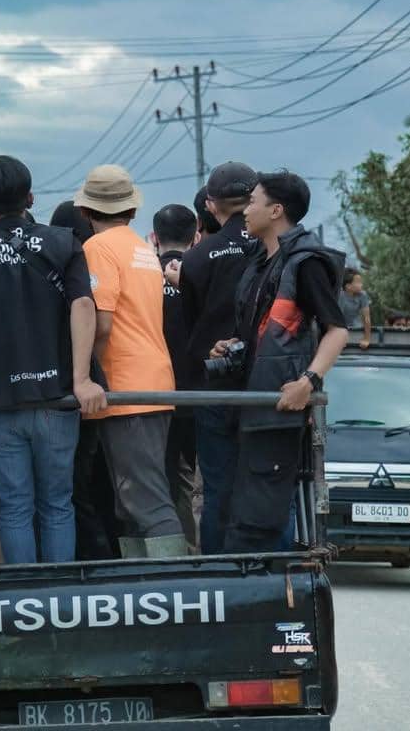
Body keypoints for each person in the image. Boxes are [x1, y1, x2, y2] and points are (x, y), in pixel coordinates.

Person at [0, 156, 106, 564]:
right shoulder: (64, 242)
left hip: (2, 401)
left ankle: (24, 603)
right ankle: (60, 600)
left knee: (15, 507)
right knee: (57, 504)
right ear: (31, 198)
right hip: (58, 399)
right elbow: (83, 305)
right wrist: (81, 379)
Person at [214, 171, 348, 552]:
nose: (245, 209)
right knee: (244, 513)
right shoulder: (261, 261)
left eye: (253, 201)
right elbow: (263, 332)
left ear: (276, 210)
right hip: (250, 404)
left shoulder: (305, 262)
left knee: (263, 519)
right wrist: (230, 345)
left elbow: (337, 330)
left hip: (278, 409)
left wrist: (308, 382)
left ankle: (276, 605)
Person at [76, 165, 186, 558]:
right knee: (134, 499)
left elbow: (101, 323)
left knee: (144, 499)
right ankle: (144, 589)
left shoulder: (97, 249)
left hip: (124, 387)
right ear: (133, 211)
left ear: (86, 212)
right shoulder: (142, 248)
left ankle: (172, 592)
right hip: (154, 380)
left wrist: (83, 373)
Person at [176, 161, 260, 554]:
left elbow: (192, 329)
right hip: (268, 383)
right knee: (268, 481)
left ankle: (218, 573)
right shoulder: (273, 247)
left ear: (210, 206)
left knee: (216, 486)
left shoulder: (197, 259)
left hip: (214, 385)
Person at [50, 200, 117, 560]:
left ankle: (88, 560)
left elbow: (97, 321)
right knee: (92, 486)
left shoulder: (60, 269)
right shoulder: (87, 265)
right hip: (97, 387)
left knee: (72, 489)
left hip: (66, 392)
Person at [152, 203, 200, 551]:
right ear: (195, 236)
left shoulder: (143, 273)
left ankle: (164, 556)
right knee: (197, 482)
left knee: (159, 479)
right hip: (201, 392)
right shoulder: (202, 271)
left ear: (154, 236)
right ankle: (195, 550)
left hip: (152, 393)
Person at [339, 268, 372, 349]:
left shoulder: (362, 295)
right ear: (348, 286)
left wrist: (367, 339)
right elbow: (337, 318)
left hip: (356, 326)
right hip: (341, 327)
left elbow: (366, 318)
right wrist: (339, 338)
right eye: (358, 282)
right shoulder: (340, 296)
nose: (361, 284)